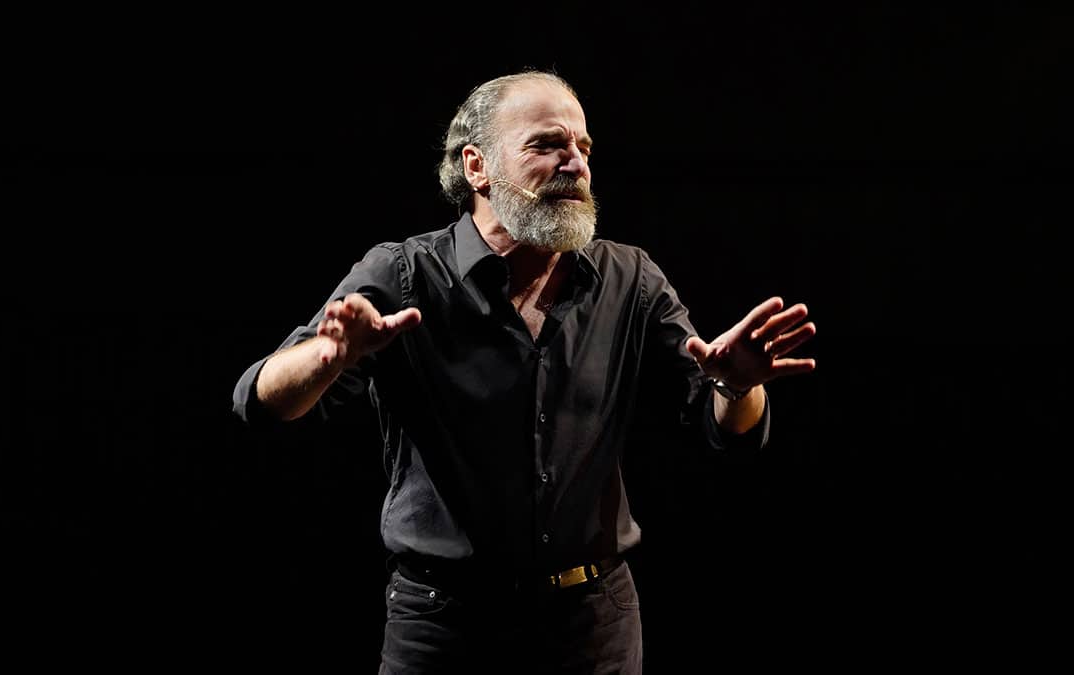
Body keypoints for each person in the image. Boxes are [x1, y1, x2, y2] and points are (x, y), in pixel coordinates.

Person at [232, 70, 816, 674]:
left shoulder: (630, 279)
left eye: (584, 149)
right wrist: (326, 359)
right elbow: (260, 399)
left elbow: (727, 427)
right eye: (547, 145)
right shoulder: (404, 275)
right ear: (477, 167)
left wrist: (736, 385)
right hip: (444, 625)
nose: (576, 164)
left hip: (592, 625)